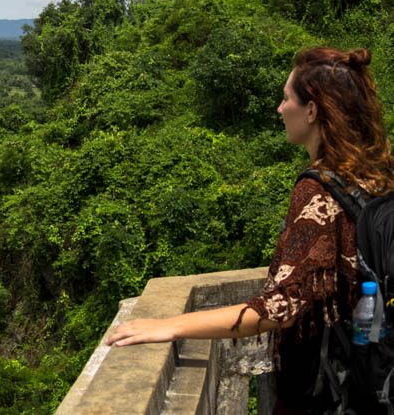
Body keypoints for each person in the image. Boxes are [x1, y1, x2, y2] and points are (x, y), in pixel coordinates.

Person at [106, 47, 392, 413]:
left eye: (286, 98)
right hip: (373, 371)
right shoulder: (377, 176)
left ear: (312, 109)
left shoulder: (318, 189)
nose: (280, 108)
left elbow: (278, 308)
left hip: (327, 390)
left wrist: (172, 326)